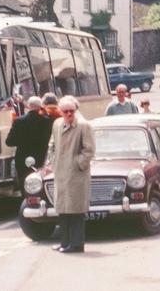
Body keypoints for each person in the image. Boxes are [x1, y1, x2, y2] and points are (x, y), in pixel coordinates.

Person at [50, 96, 96, 254]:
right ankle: (65, 242)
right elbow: (52, 144)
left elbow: (89, 150)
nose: (69, 114)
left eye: (72, 111)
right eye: (65, 111)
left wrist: (77, 163)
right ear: (60, 112)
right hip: (61, 174)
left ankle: (76, 244)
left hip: (76, 176)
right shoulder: (57, 124)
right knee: (63, 210)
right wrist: (53, 161)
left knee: (76, 211)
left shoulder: (84, 126)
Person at [6, 96, 53, 192]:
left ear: (28, 106)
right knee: (40, 184)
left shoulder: (18, 121)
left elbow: (9, 142)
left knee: (24, 185)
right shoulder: (47, 121)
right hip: (41, 157)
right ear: (40, 107)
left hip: (22, 158)